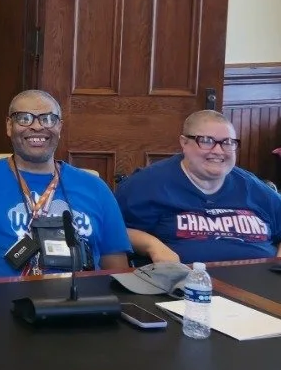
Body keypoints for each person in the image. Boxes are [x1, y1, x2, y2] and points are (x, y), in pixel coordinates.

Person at [0, 90, 131, 282]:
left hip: (80, 304)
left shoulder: (96, 189)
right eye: (24, 118)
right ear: (9, 126)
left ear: (59, 126)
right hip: (0, 305)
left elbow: (116, 269)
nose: (37, 127)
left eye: (48, 118)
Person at [117, 110, 281, 264]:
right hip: (181, 287)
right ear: (184, 143)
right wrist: (151, 245)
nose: (218, 151)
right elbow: (110, 228)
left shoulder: (253, 187)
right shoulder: (147, 184)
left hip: (260, 286)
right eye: (206, 141)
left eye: (227, 142)